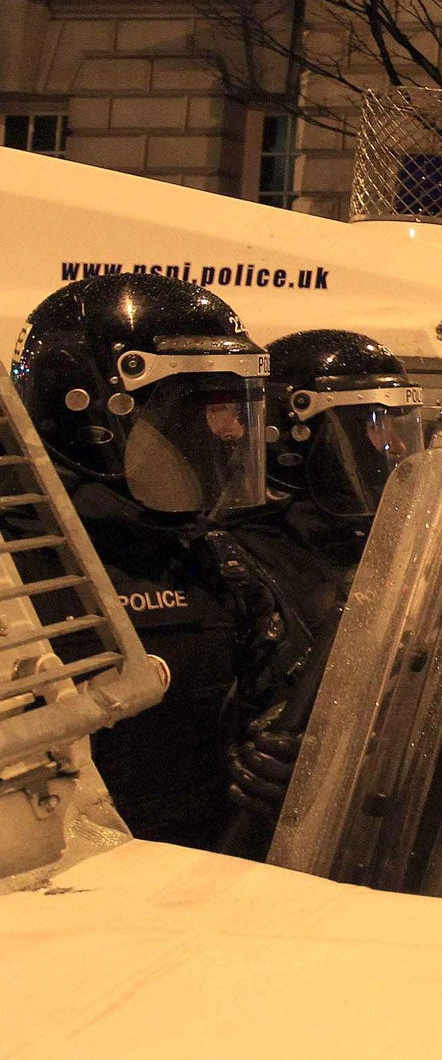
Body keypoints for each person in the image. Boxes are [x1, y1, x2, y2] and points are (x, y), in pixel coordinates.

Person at [16, 272, 271, 850]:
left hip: (203, 880)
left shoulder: (205, 553)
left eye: (236, 408)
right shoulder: (15, 563)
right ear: (97, 415)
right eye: (208, 408)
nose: (232, 431)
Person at [220, 328, 425, 848]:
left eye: (399, 424)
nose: (397, 446)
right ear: (294, 438)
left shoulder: (399, 548)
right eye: (374, 426)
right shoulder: (236, 556)